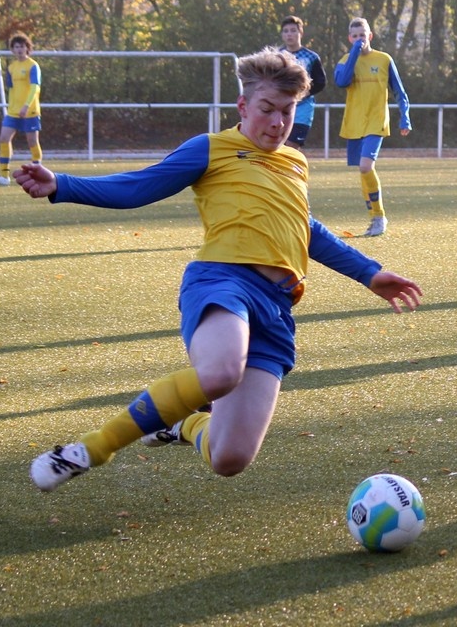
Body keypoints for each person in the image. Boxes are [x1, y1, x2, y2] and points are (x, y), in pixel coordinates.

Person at [23, 48, 423, 493]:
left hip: (277, 309)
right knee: (220, 374)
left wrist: (370, 273)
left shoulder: (295, 162)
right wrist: (62, 184)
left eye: (287, 112)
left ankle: (185, 426)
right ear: (243, 106)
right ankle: (88, 450)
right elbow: (139, 186)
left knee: (230, 458)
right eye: (267, 110)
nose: (277, 123)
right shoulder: (210, 149)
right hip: (223, 282)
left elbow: (303, 228)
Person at [333, 17, 411, 237]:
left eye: (363, 35)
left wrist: (404, 117)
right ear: (350, 38)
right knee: (363, 170)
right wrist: (354, 55)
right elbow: (342, 82)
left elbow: (399, 92)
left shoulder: (384, 59)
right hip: (354, 122)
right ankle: (374, 218)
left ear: (370, 35)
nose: (359, 39)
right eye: (355, 36)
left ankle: (379, 216)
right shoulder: (345, 60)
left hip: (376, 122)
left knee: (365, 166)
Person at [0, 33, 43, 186]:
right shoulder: (11, 67)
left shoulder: (33, 66)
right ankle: (4, 176)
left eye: (22, 46)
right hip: (13, 112)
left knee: (32, 141)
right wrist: (12, 107)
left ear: (27, 48)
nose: (19, 49)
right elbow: (11, 90)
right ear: (12, 49)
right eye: (16, 47)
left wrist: (26, 106)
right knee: (4, 138)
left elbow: (35, 88)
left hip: (30, 110)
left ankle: (38, 173)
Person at [279, 16, 327, 148]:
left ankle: (294, 168)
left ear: (300, 32)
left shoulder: (311, 57)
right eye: (286, 31)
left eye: (293, 30)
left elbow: (320, 82)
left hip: (303, 108)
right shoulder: (277, 56)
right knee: (280, 146)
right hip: (281, 107)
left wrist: (303, 93)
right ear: (282, 35)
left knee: (292, 145)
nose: (289, 34)